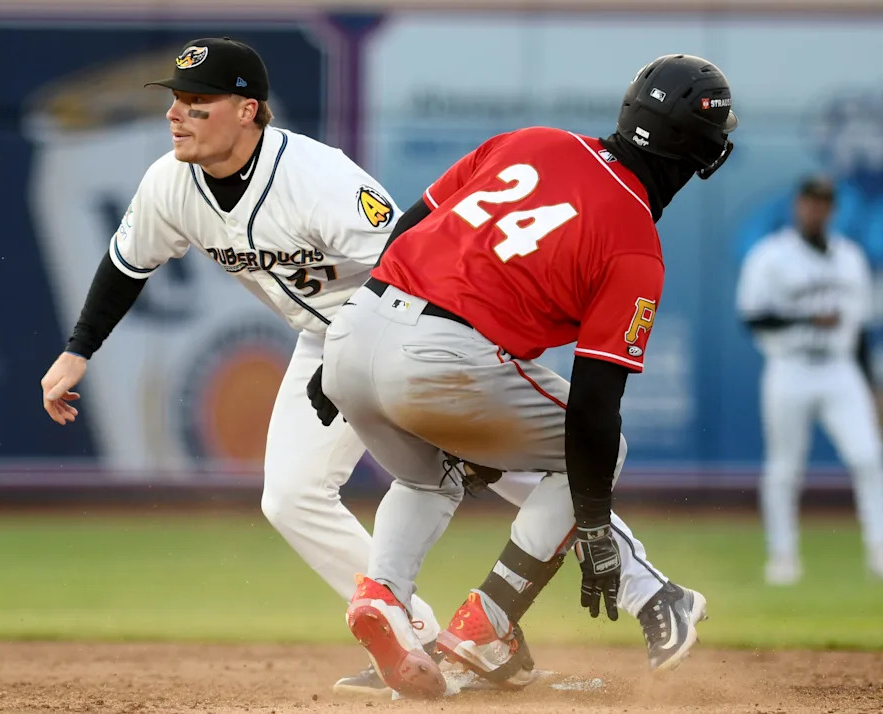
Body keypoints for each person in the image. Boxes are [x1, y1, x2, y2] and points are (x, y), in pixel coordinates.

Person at [39, 37, 693, 696]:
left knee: (511, 469)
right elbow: (129, 262)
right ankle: (419, 637)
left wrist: (372, 350)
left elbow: (411, 251)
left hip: (388, 319)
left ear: (248, 111)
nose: (177, 114)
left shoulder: (314, 178)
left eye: (198, 101)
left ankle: (641, 595)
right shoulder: (169, 184)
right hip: (332, 342)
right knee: (294, 496)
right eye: (176, 100)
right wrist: (79, 348)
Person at [310, 54, 736, 698]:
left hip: (354, 328)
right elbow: (594, 407)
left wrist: (336, 357)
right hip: (442, 358)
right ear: (700, 153)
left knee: (425, 476)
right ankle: (489, 620)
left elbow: (411, 225)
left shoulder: (536, 141)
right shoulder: (634, 246)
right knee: (596, 452)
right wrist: (592, 525)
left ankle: (382, 594)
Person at [736, 176, 883, 585]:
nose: (816, 210)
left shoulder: (849, 257)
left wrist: (872, 388)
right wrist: (805, 318)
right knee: (785, 468)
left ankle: (879, 551)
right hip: (790, 366)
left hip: (839, 368)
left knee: (869, 457)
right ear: (798, 205)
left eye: (824, 203)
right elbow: (752, 316)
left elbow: (857, 331)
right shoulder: (770, 255)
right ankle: (783, 558)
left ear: (831, 209)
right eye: (810, 202)